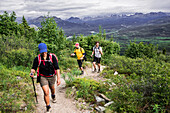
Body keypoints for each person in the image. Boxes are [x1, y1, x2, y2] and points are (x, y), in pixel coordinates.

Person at [30, 43, 61, 113]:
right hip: (43, 77)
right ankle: (48, 106)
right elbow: (34, 68)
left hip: (52, 76)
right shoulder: (37, 58)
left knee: (52, 88)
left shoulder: (52, 57)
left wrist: (58, 78)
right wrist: (32, 73)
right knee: (46, 92)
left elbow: (57, 68)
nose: (44, 53)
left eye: (45, 51)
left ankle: (53, 95)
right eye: (42, 52)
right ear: (39, 51)